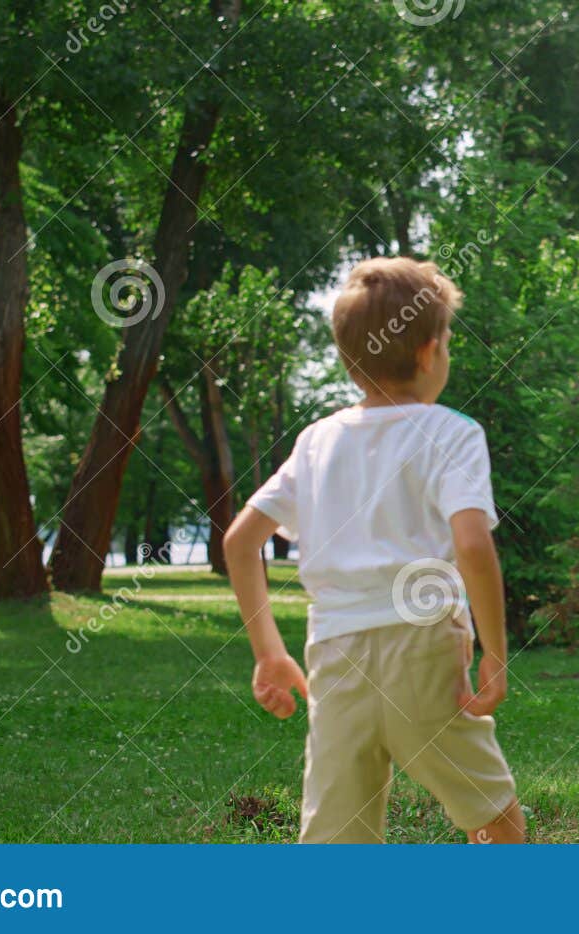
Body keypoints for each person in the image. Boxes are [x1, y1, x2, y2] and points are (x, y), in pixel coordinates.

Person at [223, 256, 524, 844]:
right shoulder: (452, 432)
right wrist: (496, 652)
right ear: (427, 352)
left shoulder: (316, 441)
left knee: (339, 838)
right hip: (424, 654)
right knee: (492, 814)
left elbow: (240, 542)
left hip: (335, 658)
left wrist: (268, 653)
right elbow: (471, 543)